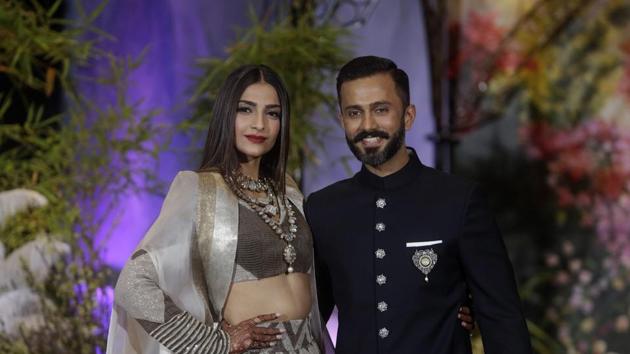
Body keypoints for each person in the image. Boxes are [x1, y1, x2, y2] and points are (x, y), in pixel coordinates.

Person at [106, 64, 474, 354]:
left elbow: (337, 279)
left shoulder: (291, 194)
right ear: (225, 116)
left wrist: (436, 306)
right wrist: (210, 343)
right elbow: (133, 285)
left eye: (273, 113)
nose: (259, 124)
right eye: (245, 110)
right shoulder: (201, 189)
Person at [304, 56, 533, 353]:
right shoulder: (323, 209)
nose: (367, 125)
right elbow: (307, 316)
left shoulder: (458, 200)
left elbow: (501, 316)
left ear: (408, 116)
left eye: (381, 110)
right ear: (342, 120)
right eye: (354, 113)